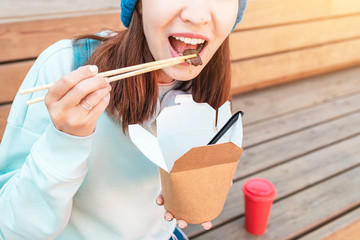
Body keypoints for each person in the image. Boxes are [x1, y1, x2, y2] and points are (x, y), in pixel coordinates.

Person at [0, 0, 247, 239]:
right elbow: (13, 230)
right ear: (139, 3)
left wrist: (196, 189)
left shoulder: (207, 89)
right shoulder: (67, 69)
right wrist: (64, 138)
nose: (197, 15)